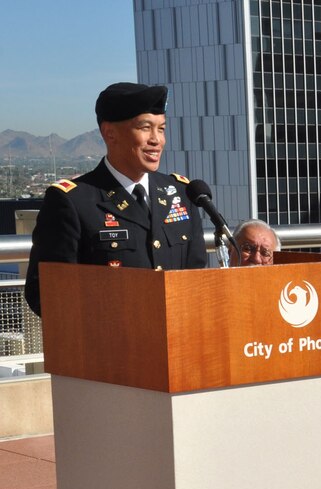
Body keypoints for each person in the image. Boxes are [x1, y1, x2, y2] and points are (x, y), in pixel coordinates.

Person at [24, 82, 207, 317]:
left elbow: (197, 277)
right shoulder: (73, 201)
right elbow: (45, 292)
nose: (157, 140)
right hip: (110, 347)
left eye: (161, 129)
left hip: (177, 344)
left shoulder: (182, 193)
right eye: (145, 128)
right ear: (110, 133)